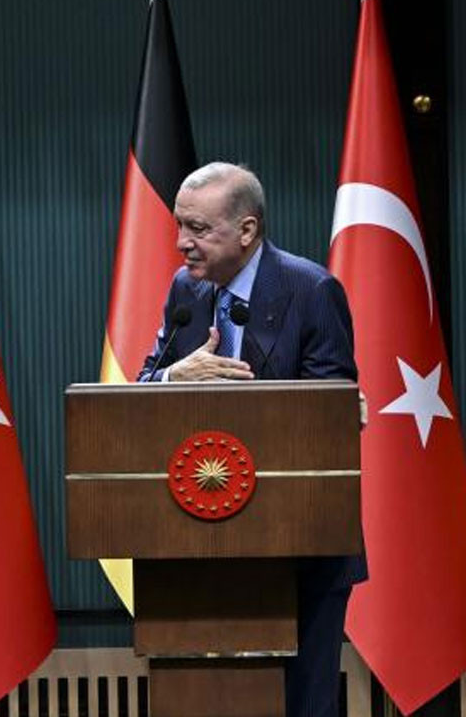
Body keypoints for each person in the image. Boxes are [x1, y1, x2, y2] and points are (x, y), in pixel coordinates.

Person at [138, 162, 364, 717]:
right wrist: (173, 377)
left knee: (305, 705)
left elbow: (332, 418)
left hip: (302, 542)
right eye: (179, 225)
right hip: (201, 546)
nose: (181, 243)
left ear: (247, 230)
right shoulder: (186, 290)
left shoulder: (311, 289)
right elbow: (143, 388)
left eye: (198, 228)